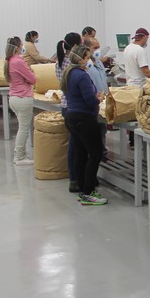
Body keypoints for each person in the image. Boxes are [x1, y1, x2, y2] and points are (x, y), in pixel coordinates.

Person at [61, 44, 107, 205]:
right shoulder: (82, 76)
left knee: (80, 154)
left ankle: (82, 189)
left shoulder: (69, 73)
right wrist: (99, 98)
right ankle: (88, 191)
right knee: (95, 154)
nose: (90, 61)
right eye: (88, 57)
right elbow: (89, 100)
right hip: (85, 119)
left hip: (72, 117)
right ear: (81, 59)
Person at [56, 32, 85, 192]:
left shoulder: (59, 61)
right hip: (75, 107)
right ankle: (75, 179)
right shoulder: (72, 65)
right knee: (76, 146)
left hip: (66, 106)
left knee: (74, 144)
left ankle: (76, 177)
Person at [4, 37, 37, 165]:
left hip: (14, 98)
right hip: (23, 98)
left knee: (21, 128)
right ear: (18, 47)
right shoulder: (18, 61)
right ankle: (19, 157)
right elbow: (32, 79)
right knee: (23, 129)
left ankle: (19, 154)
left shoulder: (9, 61)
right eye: (22, 45)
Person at [84, 36, 109, 160]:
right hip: (92, 102)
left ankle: (102, 153)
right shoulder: (85, 65)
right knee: (92, 131)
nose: (98, 50)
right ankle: (93, 155)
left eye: (99, 47)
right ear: (87, 49)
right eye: (95, 47)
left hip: (103, 101)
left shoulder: (99, 63)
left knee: (102, 128)